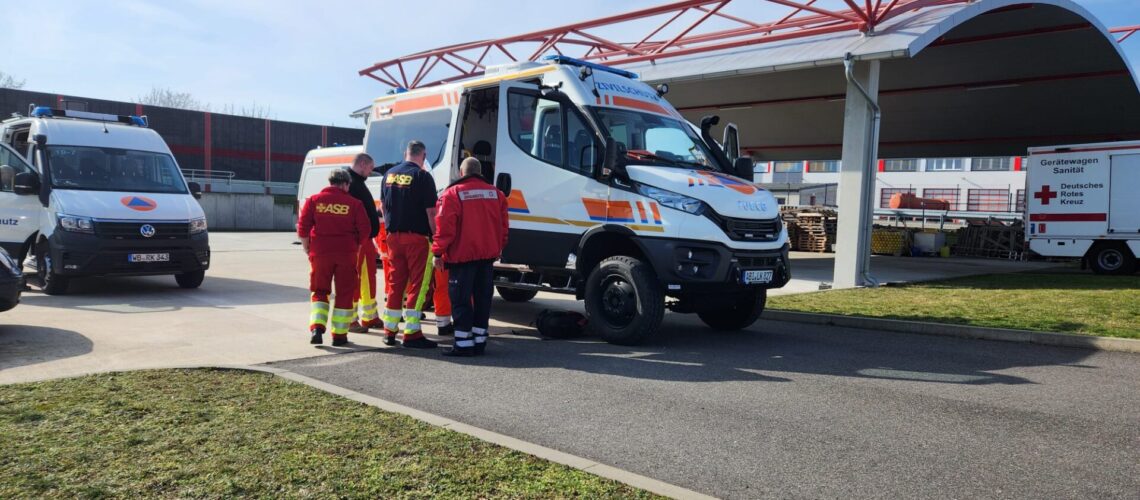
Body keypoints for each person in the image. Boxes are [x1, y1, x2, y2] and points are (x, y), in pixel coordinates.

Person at [432, 158, 509, 356]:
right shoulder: (497, 194)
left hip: (461, 259)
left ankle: (463, 346)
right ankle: (479, 342)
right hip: (487, 259)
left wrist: (438, 252)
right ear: (480, 172)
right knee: (483, 301)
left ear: (461, 172)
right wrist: (498, 247)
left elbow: (445, 228)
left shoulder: (452, 194)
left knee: (461, 301)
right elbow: (503, 228)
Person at [297, 169, 370, 346]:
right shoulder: (355, 204)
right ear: (345, 184)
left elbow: (303, 227)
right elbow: (365, 230)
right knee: (345, 293)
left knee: (320, 292)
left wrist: (307, 246)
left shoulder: (314, 200)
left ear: (330, 182)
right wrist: (357, 246)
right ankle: (339, 335)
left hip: (320, 253)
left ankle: (317, 328)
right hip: (346, 254)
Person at [380, 140, 439, 349]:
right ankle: (412, 333)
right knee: (418, 284)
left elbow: (384, 207)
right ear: (423, 155)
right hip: (417, 239)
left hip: (393, 237)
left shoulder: (389, 175)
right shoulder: (423, 176)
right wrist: (436, 236)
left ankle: (389, 331)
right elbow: (431, 213)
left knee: (396, 283)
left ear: (406, 153)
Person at [346, 153, 382, 334]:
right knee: (355, 279)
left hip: (366, 239)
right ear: (362, 164)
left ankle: (370, 316)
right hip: (356, 240)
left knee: (369, 277)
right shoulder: (350, 183)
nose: (371, 171)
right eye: (369, 168)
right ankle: (351, 319)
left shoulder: (358, 182)